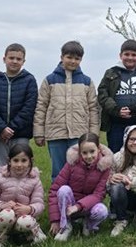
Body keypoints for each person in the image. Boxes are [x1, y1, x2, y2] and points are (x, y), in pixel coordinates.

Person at [33, 40, 100, 181]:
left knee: (79, 171)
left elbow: (93, 109)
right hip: (55, 133)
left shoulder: (86, 81)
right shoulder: (49, 80)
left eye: (77, 58)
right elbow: (41, 106)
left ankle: (77, 201)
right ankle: (57, 201)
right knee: (58, 172)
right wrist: (39, 133)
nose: (73, 61)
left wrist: (93, 134)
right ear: (61, 57)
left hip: (79, 134)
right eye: (69, 57)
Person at [0, 143, 46, 247]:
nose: (19, 165)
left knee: (26, 221)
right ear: (9, 161)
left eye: (24, 161)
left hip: (22, 217)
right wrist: (2, 205)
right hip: (1, 219)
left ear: (31, 161)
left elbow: (39, 203)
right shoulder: (0, 178)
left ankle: (31, 234)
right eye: (15, 160)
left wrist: (29, 209)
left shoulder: (35, 180)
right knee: (8, 214)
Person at [47, 133, 111, 241]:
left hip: (88, 206)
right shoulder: (72, 163)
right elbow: (54, 189)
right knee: (63, 190)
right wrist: (55, 220)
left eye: (92, 151)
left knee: (102, 211)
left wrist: (78, 206)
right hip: (69, 206)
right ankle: (65, 225)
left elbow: (98, 195)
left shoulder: (105, 167)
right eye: (84, 153)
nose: (89, 156)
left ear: (98, 149)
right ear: (80, 152)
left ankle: (89, 224)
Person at [0, 43, 38, 171]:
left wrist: (11, 128)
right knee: (1, 168)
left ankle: (22, 191)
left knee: (21, 167)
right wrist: (1, 128)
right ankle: (2, 191)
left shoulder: (29, 80)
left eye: (18, 59)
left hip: (21, 133)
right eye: (11, 58)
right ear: (4, 59)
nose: (14, 61)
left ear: (23, 61)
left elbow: (29, 107)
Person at [98, 39, 136, 152]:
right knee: (116, 158)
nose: (130, 57)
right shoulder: (110, 73)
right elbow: (102, 94)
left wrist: (135, 109)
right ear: (120, 55)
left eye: (134, 55)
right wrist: (116, 109)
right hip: (116, 125)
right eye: (126, 54)